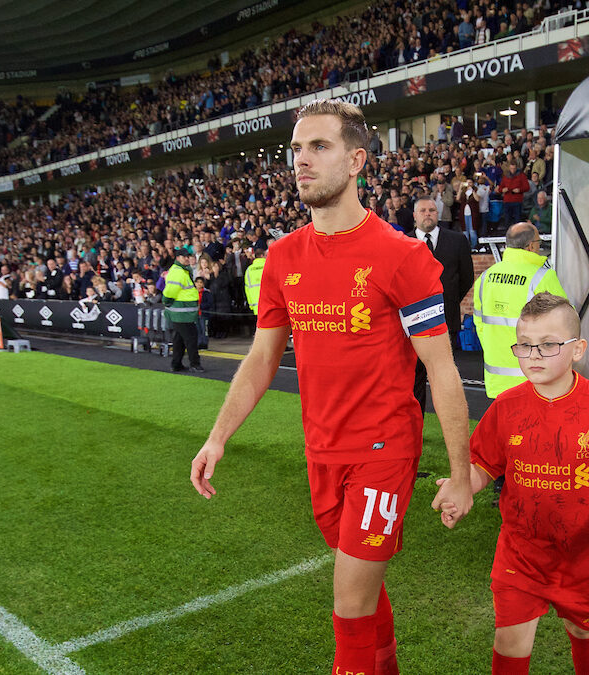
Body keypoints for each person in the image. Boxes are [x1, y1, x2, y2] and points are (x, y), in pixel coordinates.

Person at [189, 99, 473, 675]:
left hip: (382, 452)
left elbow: (442, 371)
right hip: (320, 451)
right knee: (363, 593)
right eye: (296, 149)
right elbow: (263, 356)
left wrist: (462, 474)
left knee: (347, 605)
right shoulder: (282, 256)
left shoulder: (401, 257)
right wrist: (218, 437)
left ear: (357, 160)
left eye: (319, 146)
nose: (302, 160)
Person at [435, 293, 589, 675]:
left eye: (548, 344)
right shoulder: (506, 406)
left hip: (586, 557)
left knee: (584, 632)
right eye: (524, 345)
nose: (533, 355)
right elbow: (483, 465)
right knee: (509, 640)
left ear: (577, 350)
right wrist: (461, 486)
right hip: (521, 555)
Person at [473, 222, 567, 399]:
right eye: (539, 242)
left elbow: (480, 325)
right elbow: (566, 323)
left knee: (503, 426)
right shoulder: (543, 277)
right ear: (531, 245)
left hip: (496, 378)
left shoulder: (486, 277)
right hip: (533, 376)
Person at [409, 197, 474, 413]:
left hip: (447, 321)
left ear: (438, 214)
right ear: (415, 216)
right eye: (423, 210)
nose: (428, 214)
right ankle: (415, 424)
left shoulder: (457, 241)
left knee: (446, 376)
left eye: (432, 210)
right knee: (414, 378)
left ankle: (450, 420)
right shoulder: (402, 242)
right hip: (413, 324)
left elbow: (466, 278)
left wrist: (450, 301)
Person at [162, 246, 204, 373]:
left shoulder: (180, 270)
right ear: (178, 258)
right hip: (182, 312)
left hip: (182, 312)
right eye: (185, 256)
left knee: (179, 339)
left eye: (188, 256)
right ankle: (194, 364)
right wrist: (167, 302)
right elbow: (170, 291)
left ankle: (176, 364)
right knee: (191, 337)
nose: (187, 258)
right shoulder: (179, 272)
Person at [499, 160, 530, 228]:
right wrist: (503, 190)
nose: (512, 170)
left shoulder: (521, 175)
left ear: (516, 168)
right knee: (507, 220)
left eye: (514, 168)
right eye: (511, 168)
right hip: (507, 201)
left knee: (517, 220)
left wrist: (519, 190)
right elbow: (500, 188)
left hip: (517, 201)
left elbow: (527, 187)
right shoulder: (505, 176)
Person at [244, 240, 267, 315]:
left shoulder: (249, 270)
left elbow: (247, 288)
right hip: (270, 304)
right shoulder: (269, 267)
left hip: (256, 305)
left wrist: (251, 305)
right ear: (261, 256)